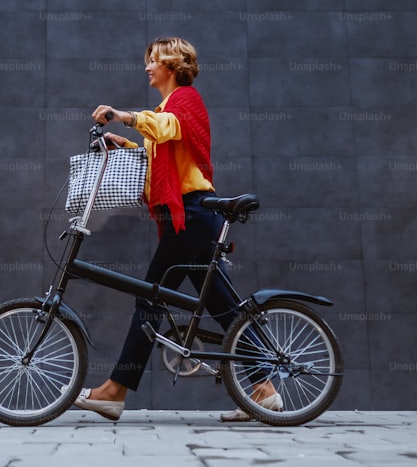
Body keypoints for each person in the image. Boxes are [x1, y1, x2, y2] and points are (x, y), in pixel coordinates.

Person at [73, 37, 280, 423]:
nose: (147, 67)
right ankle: (264, 388)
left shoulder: (185, 100)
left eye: (152, 61)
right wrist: (128, 146)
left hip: (191, 216)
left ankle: (115, 391)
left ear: (170, 64)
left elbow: (168, 129)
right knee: (223, 306)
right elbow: (163, 160)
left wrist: (123, 116)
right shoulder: (166, 108)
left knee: (150, 299)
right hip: (190, 218)